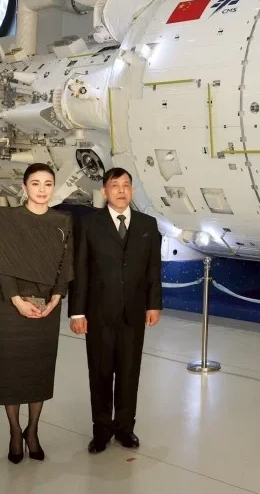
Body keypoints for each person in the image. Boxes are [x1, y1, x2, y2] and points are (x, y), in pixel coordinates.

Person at [69, 167, 162, 453]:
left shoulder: (148, 225)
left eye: (126, 185)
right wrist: (77, 312)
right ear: (104, 191)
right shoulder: (88, 224)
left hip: (133, 314)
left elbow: (153, 269)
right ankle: (101, 431)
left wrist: (153, 304)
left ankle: (125, 428)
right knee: (99, 373)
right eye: (115, 185)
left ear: (132, 190)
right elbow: (80, 270)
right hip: (98, 315)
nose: (121, 190)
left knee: (129, 373)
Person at [0, 163, 74, 464]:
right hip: (12, 305)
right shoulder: (10, 218)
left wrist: (56, 298)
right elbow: (3, 262)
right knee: (10, 371)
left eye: (48, 184)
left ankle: (33, 430)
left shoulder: (63, 220)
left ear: (53, 188)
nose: (42, 189)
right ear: (24, 187)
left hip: (47, 306)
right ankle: (15, 431)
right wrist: (17, 300)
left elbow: (66, 264)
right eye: (35, 183)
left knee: (39, 371)